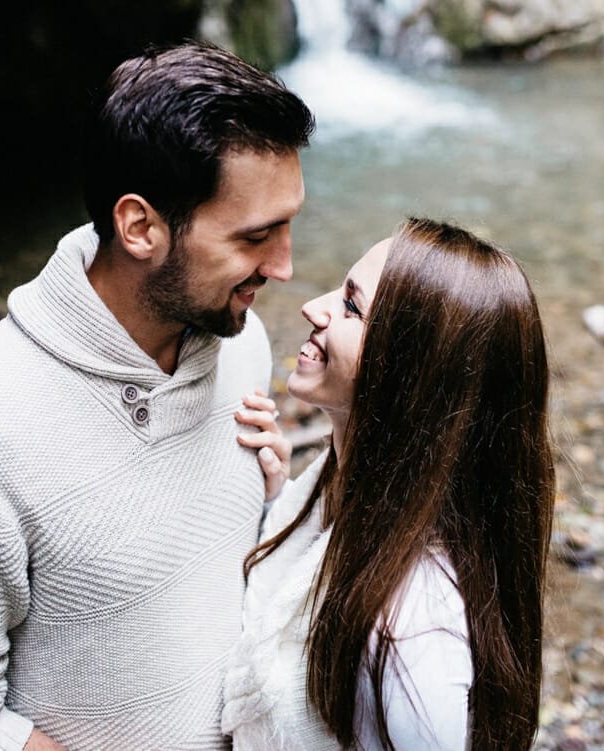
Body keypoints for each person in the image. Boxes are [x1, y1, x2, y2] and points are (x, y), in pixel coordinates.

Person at [0, 41, 314, 750]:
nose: (284, 266)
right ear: (139, 227)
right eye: (256, 236)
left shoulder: (241, 343)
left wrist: (269, 498)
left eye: (288, 225)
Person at [222, 217, 556, 750]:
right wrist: (272, 501)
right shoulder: (342, 483)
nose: (314, 308)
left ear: (413, 374)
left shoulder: (413, 633)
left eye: (352, 307)